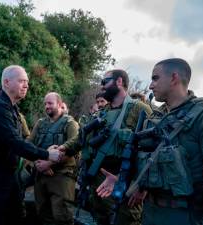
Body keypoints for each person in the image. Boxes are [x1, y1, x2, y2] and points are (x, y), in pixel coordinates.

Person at [97, 58, 203, 225]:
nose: (151, 85)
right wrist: (124, 179)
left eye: (155, 78)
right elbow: (150, 164)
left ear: (174, 78)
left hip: (187, 216)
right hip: (150, 213)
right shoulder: (156, 117)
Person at [61, 69, 152, 225]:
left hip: (122, 182)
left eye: (105, 82)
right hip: (97, 180)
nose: (101, 86)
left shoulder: (140, 109)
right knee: (100, 219)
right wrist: (62, 149)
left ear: (119, 82)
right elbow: (82, 138)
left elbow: (150, 152)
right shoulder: (102, 113)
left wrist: (141, 187)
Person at [0, 65, 62, 225]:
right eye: (22, 81)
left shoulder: (12, 108)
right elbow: (14, 142)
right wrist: (47, 154)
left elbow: (24, 141)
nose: (26, 85)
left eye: (27, 82)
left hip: (9, 173)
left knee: (16, 216)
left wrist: (41, 154)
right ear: (7, 82)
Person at [28, 92, 79, 225]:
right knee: (43, 214)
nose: (47, 106)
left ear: (60, 104)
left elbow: (73, 148)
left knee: (62, 216)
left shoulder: (70, 123)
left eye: (50, 103)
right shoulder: (40, 123)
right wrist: (37, 164)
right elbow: (28, 145)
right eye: (45, 103)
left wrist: (48, 164)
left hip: (61, 177)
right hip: (41, 175)